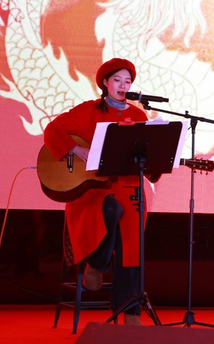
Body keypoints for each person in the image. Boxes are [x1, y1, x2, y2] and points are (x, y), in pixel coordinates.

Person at [43, 58, 154, 325]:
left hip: (128, 187)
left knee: (132, 246)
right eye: (117, 80)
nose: (123, 86)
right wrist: (77, 149)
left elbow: (147, 158)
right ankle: (98, 264)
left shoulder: (139, 116)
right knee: (111, 207)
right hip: (93, 192)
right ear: (105, 82)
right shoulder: (88, 110)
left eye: (128, 81)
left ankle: (130, 312)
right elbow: (53, 131)